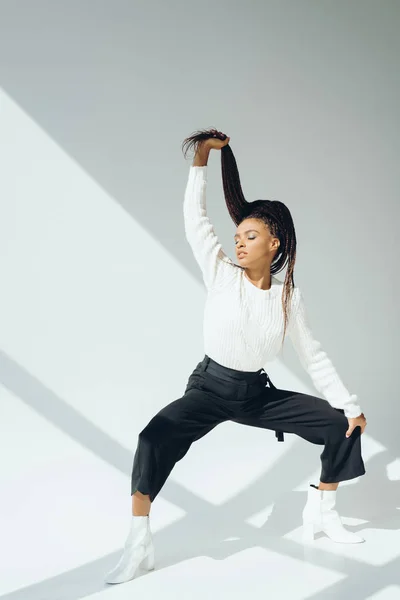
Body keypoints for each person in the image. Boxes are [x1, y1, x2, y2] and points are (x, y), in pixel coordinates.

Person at [105, 128, 367, 585]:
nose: (240, 242)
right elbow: (194, 221)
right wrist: (202, 159)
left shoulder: (288, 298)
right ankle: (139, 541)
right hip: (209, 388)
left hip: (255, 394)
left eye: (251, 236)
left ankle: (322, 510)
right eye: (237, 235)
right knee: (153, 439)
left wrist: (349, 404)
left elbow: (314, 355)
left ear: (275, 244)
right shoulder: (222, 273)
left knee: (339, 425)